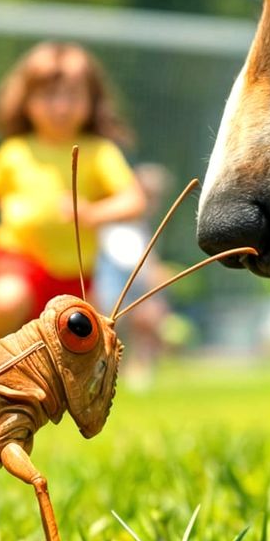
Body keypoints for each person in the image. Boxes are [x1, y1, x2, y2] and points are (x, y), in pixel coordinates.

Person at [0, 42, 146, 346]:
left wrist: (93, 213)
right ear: (25, 100)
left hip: (75, 278)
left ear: (91, 101)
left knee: (87, 346)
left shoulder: (99, 152)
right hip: (19, 260)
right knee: (9, 302)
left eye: (72, 96)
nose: (61, 107)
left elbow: (134, 201)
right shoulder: (16, 151)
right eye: (49, 95)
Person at [94, 163, 176, 389]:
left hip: (140, 276)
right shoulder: (110, 216)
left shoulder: (145, 224)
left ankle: (141, 367)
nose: (151, 203)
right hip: (112, 275)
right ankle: (107, 369)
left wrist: (155, 270)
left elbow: (145, 251)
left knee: (149, 318)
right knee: (111, 323)